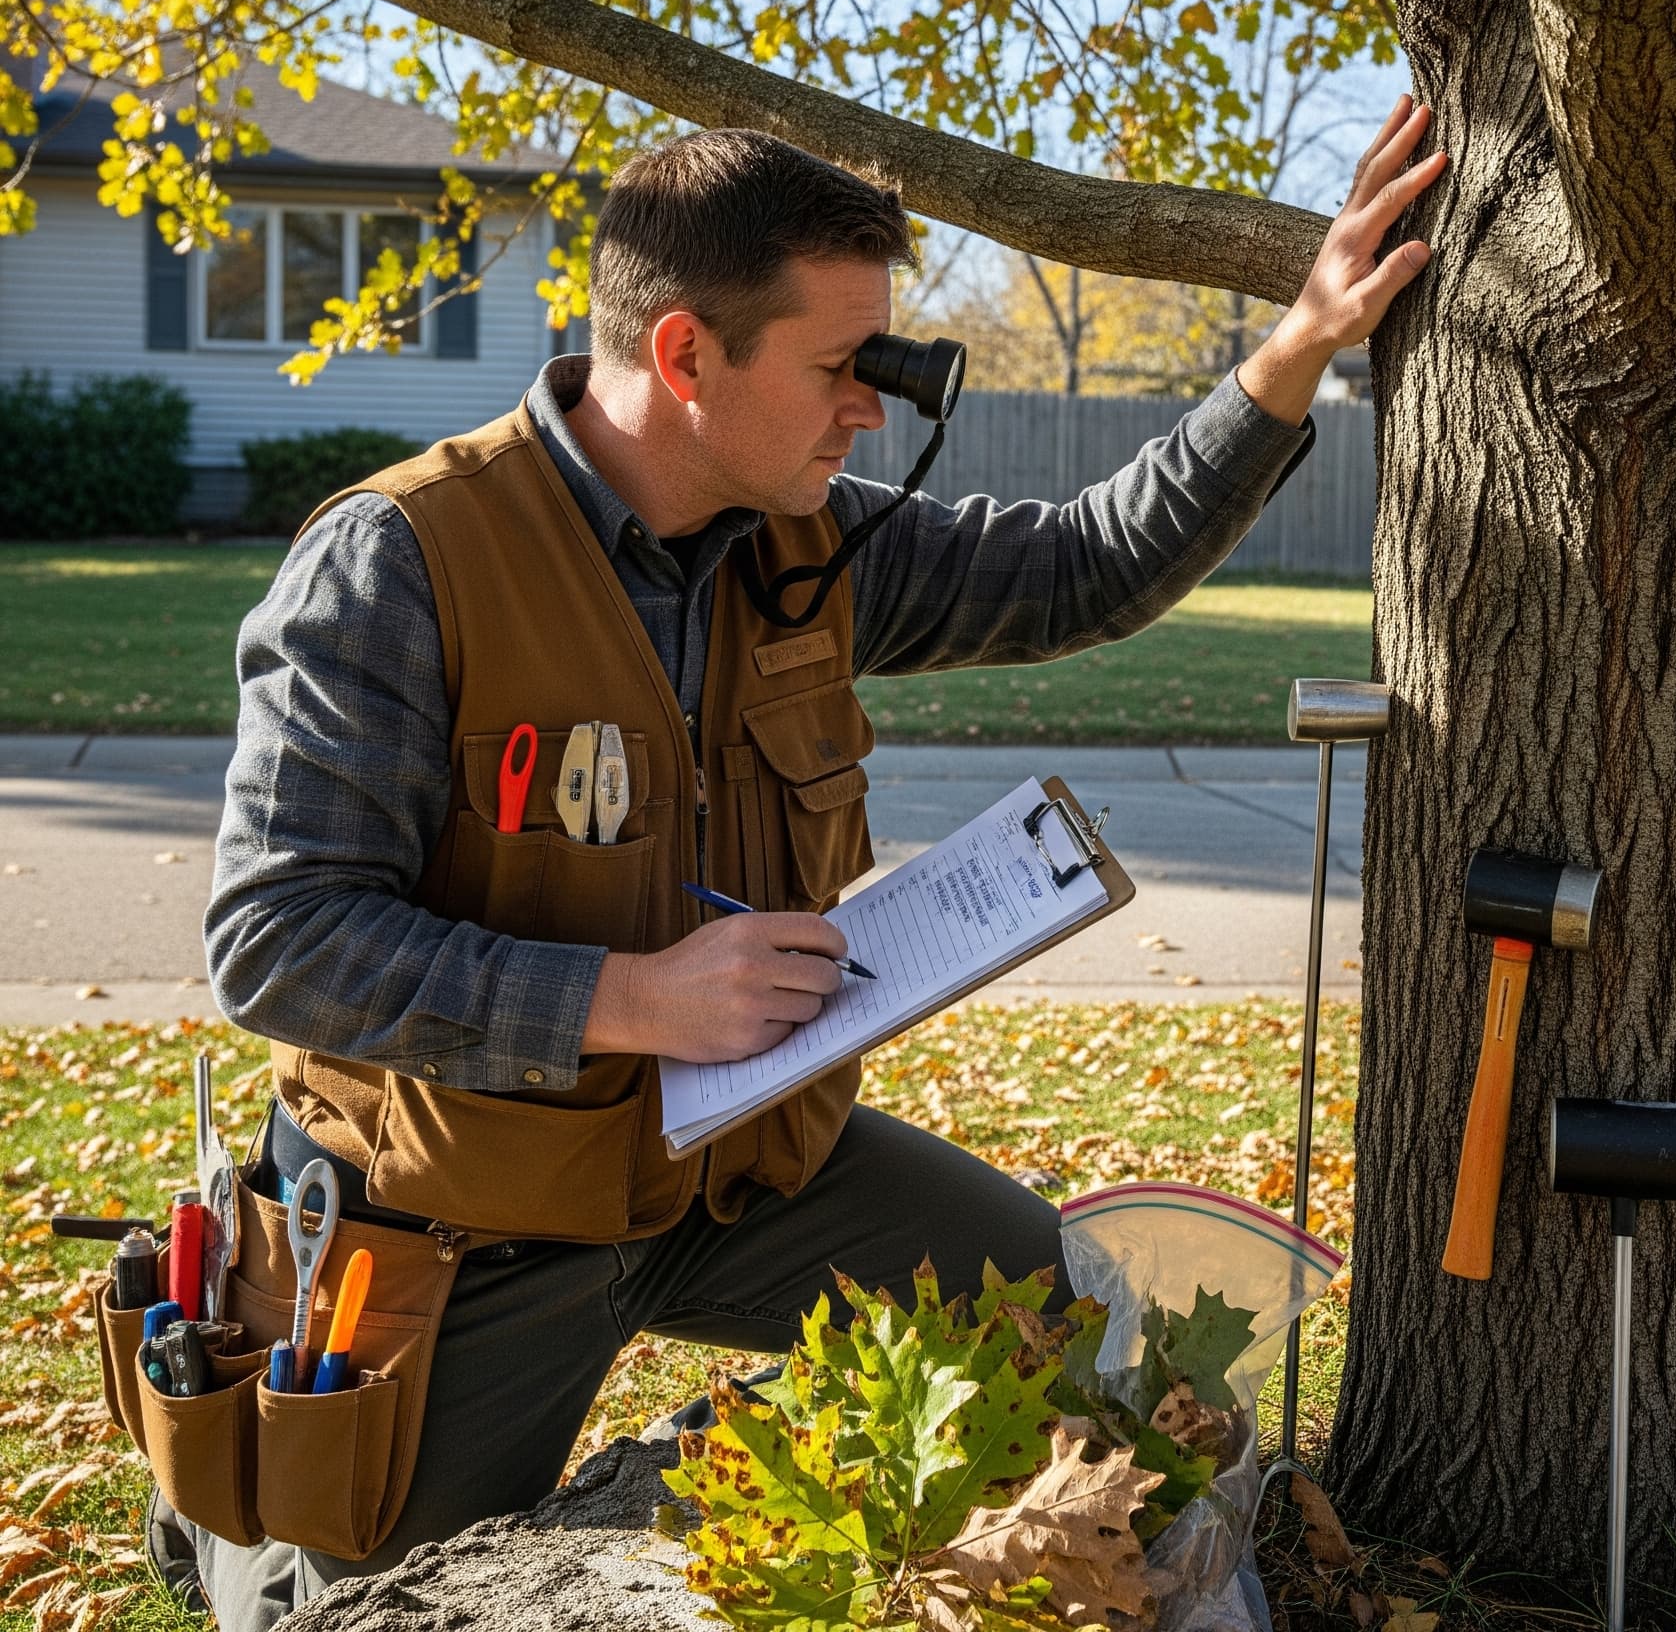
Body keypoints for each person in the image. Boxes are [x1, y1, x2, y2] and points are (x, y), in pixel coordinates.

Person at [174, 99, 1445, 1624]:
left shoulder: (810, 544)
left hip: (736, 1169)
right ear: (689, 356)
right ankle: (228, 1523)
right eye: (845, 368)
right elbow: (278, 939)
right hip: (462, 1226)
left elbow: (1083, 566)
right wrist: (633, 998)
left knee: (1068, 1315)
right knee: (344, 1607)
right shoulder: (405, 560)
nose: (874, 409)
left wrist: (1298, 345)